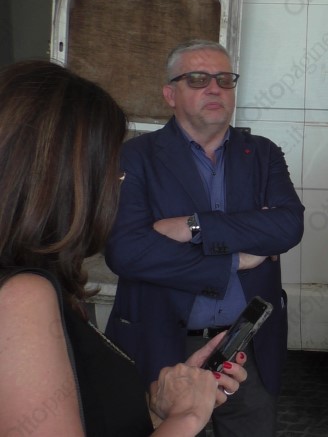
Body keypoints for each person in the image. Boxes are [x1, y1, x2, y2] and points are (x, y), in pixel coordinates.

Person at [0, 60, 246, 437]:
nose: (116, 184)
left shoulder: (36, 287)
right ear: (61, 178)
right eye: (110, 170)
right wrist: (188, 417)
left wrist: (157, 409)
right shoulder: (21, 296)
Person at [104, 40, 304, 437]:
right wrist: (233, 259)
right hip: (162, 341)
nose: (214, 88)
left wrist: (194, 226)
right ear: (170, 94)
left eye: (224, 79)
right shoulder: (135, 156)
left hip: (246, 347)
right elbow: (126, 251)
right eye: (197, 79)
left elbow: (287, 227)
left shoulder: (262, 154)